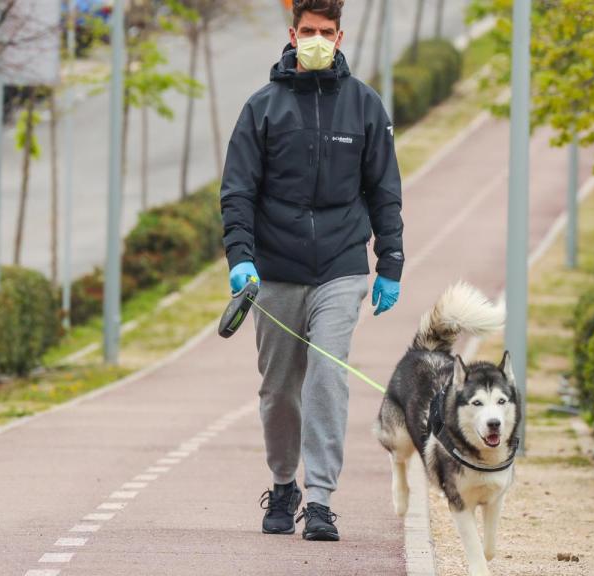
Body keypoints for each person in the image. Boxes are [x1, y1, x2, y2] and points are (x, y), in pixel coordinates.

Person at [219, 0, 404, 542]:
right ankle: (283, 484)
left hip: (342, 267)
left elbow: (385, 191)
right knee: (279, 387)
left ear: (341, 36)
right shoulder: (263, 108)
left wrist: (389, 262)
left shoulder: (365, 107)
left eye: (326, 32)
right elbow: (237, 191)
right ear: (292, 34)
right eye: (308, 31)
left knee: (327, 376)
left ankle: (320, 499)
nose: (317, 39)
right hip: (274, 270)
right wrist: (241, 258)